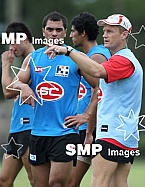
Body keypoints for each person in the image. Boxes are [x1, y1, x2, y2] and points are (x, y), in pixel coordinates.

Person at [44, 14, 143, 187]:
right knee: (119, 183)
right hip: (124, 134)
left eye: (111, 31)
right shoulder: (122, 58)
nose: (104, 35)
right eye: (104, 31)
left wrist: (68, 51)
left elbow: (96, 71)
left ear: (125, 35)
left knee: (99, 182)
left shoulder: (123, 60)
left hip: (112, 133)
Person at [12, 11, 98, 187]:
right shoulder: (34, 58)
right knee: (39, 184)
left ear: (65, 32)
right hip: (37, 133)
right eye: (50, 29)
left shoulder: (75, 58)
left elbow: (98, 87)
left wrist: (86, 116)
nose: (54, 33)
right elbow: (13, 84)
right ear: (43, 31)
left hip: (65, 133)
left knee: (57, 183)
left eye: (59, 30)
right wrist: (24, 86)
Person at [68, 12, 111, 187]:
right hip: (87, 130)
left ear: (83, 33)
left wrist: (87, 124)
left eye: (73, 31)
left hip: (93, 130)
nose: (70, 35)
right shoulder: (90, 55)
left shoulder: (97, 56)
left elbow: (100, 92)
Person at [0, 22, 35, 187]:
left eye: (14, 42)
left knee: (35, 179)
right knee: (4, 179)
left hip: (30, 128)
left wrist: (5, 65)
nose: (11, 47)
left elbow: (7, 92)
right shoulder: (23, 64)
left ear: (25, 39)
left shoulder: (33, 60)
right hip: (17, 129)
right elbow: (10, 89)